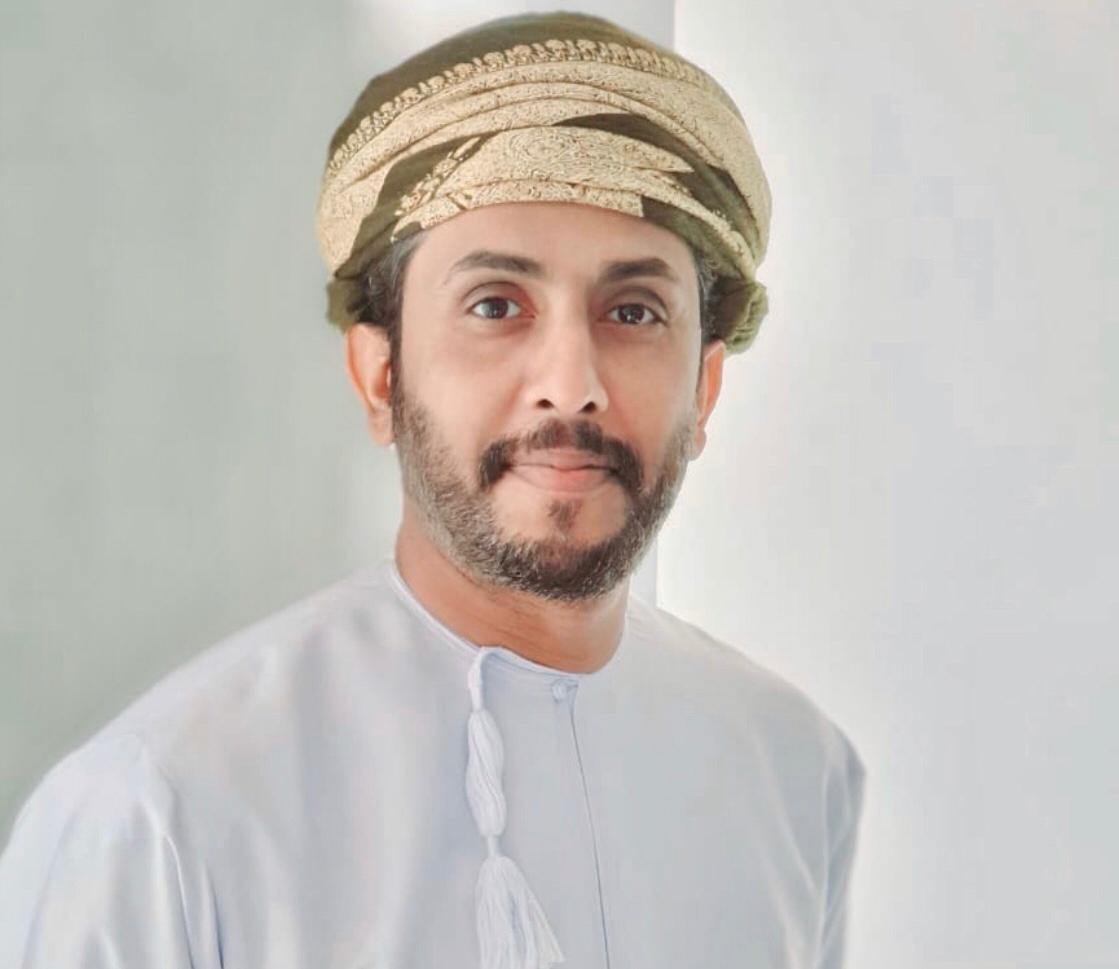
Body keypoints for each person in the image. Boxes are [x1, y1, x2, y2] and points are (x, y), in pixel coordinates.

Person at [0, 10, 866, 969]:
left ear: (702, 390)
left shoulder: (793, 774)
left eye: (633, 311)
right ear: (380, 377)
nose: (571, 381)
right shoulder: (160, 814)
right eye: (496, 305)